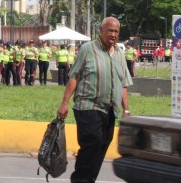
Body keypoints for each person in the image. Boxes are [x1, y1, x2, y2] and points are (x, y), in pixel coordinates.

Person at [56, 17, 132, 183]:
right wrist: (64, 103)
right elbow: (74, 77)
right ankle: (80, 179)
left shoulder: (119, 53)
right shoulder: (87, 49)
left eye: (116, 31)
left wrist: (126, 110)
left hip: (110, 109)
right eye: (109, 30)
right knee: (93, 142)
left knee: (102, 145)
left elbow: (124, 83)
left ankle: (88, 179)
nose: (113, 34)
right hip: (88, 106)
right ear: (101, 31)